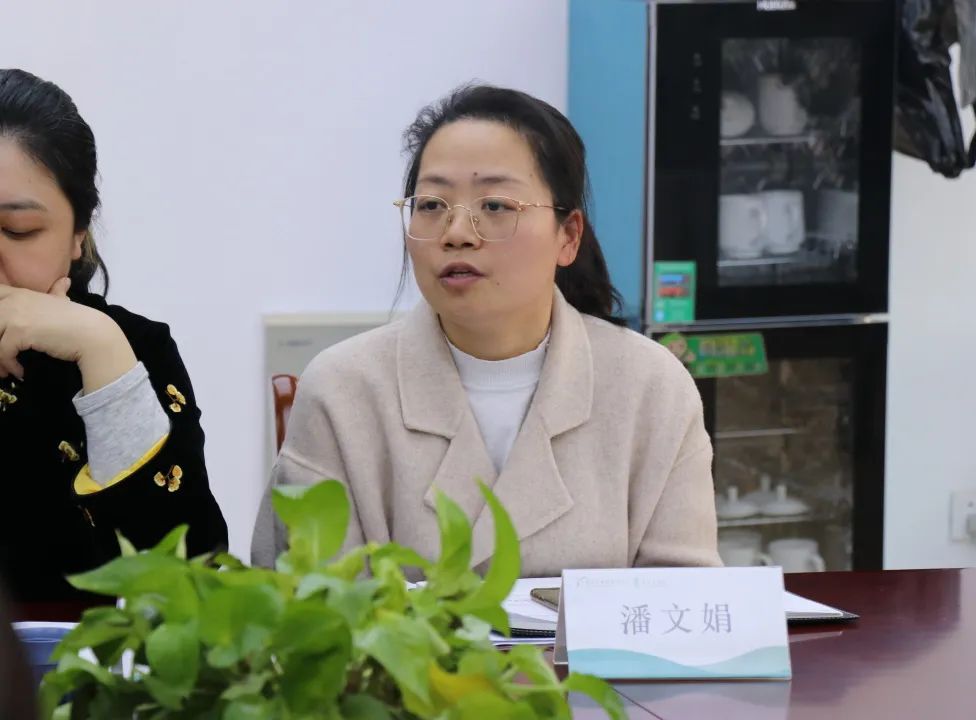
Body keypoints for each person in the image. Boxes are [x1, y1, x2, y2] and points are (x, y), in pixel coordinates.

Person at [253, 85, 719, 575]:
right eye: (431, 205)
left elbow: (683, 598)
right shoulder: (342, 390)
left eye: (495, 206)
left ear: (568, 236)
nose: (456, 233)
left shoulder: (651, 386)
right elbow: (312, 606)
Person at [0, 69, 228, 601]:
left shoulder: (133, 349)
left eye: (18, 231)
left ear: (78, 233)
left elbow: (188, 587)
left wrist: (100, 351)